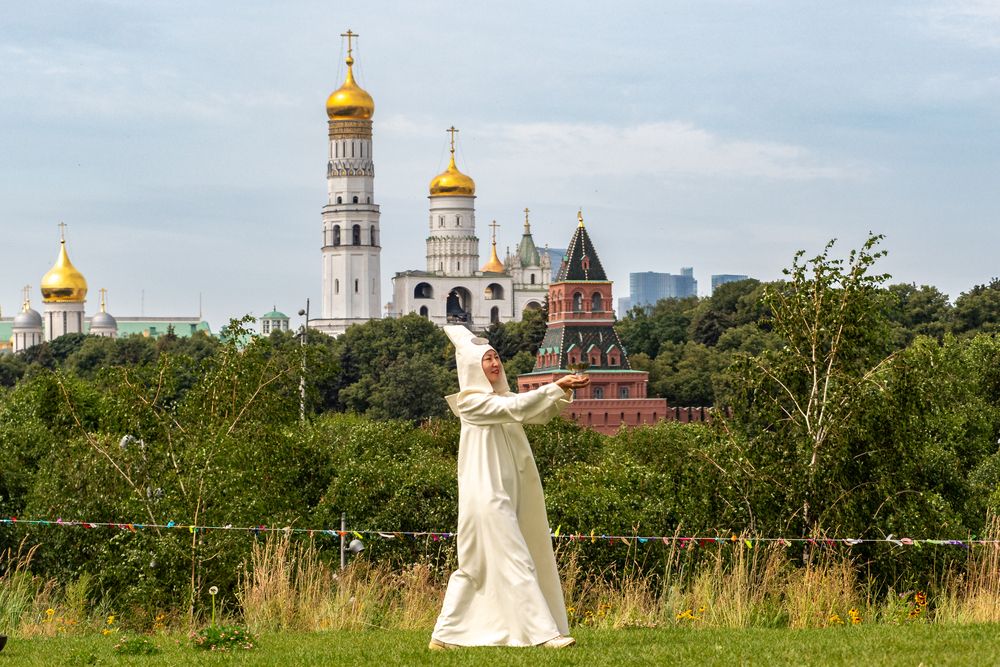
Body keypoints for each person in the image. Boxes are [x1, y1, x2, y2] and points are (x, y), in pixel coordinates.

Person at [429, 325, 590, 650]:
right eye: (487, 359)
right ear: (473, 367)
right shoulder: (471, 404)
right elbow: (517, 409)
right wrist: (555, 384)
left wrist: (563, 390)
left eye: (496, 357)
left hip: (501, 496)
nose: (495, 363)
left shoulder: (500, 398)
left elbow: (533, 412)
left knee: (474, 568)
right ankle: (545, 635)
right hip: (486, 500)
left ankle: (444, 636)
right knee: (516, 559)